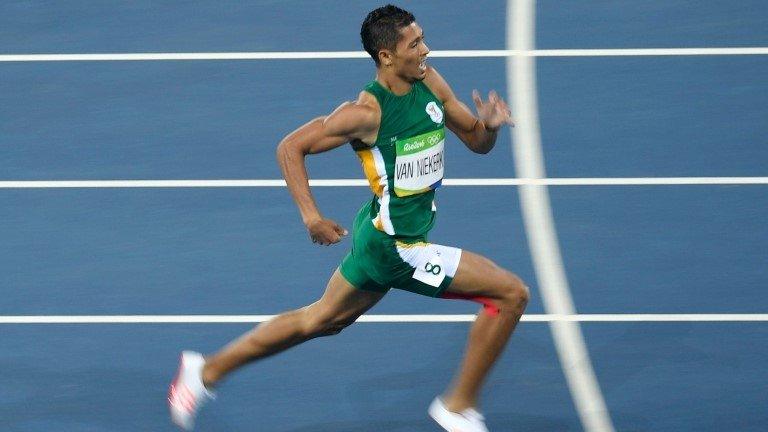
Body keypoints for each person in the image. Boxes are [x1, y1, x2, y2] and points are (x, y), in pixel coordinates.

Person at [168, 5, 529, 431]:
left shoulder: (429, 81)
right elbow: (290, 147)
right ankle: (457, 406)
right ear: (386, 56)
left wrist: (488, 127)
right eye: (414, 44)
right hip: (397, 248)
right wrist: (311, 217)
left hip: (377, 229)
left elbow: (475, 141)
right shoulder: (364, 114)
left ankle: (204, 371)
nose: (426, 49)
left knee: (321, 320)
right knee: (510, 294)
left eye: (423, 38)